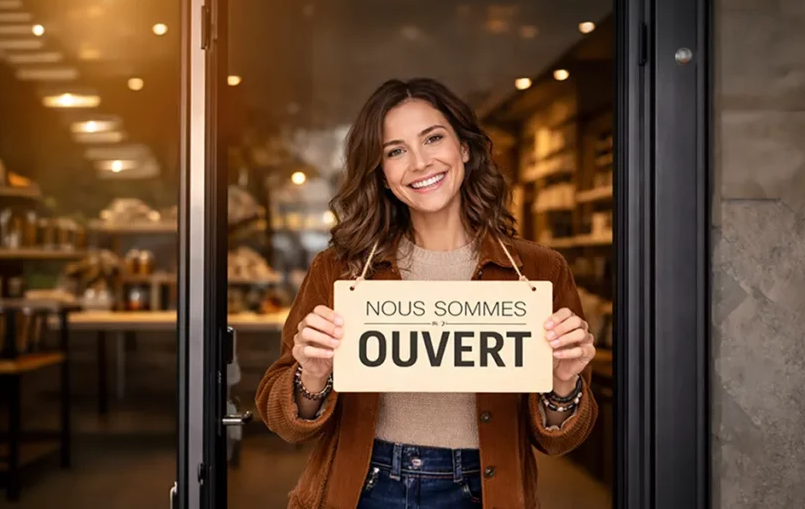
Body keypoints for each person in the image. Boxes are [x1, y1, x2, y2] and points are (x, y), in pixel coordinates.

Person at [256, 78, 598, 508]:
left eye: (433, 138)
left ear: (465, 149)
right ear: (381, 175)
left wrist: (563, 384)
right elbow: (284, 422)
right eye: (395, 151)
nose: (419, 163)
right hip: (363, 489)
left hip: (481, 492)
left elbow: (560, 439)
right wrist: (312, 375)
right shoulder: (341, 270)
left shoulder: (539, 272)